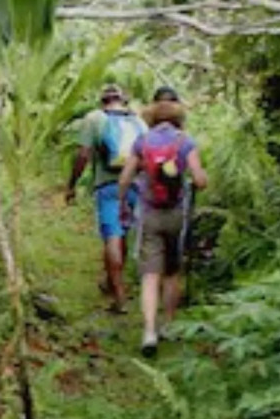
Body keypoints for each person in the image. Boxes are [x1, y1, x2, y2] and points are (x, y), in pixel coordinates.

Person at [117, 86, 208, 357]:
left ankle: (149, 332)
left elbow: (125, 178)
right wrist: (195, 180)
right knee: (171, 272)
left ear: (152, 112)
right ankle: (168, 324)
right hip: (176, 216)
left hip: (149, 214)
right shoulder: (185, 142)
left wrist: (122, 202)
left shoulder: (143, 141)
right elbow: (200, 179)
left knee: (149, 275)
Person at [66, 83, 146, 315]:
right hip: (136, 185)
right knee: (123, 233)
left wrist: (71, 184)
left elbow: (83, 154)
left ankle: (119, 296)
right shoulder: (139, 121)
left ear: (103, 101)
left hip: (108, 185)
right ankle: (110, 282)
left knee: (112, 236)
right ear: (123, 100)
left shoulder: (95, 118)